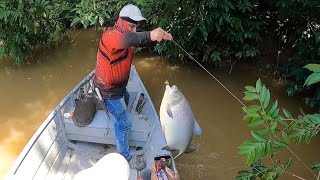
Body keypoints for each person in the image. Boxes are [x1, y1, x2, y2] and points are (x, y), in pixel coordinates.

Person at [93, 4, 173, 170]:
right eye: (132, 26)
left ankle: (114, 114)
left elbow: (139, 41)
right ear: (121, 22)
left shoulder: (127, 35)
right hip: (108, 90)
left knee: (127, 100)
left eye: (137, 27)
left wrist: (158, 36)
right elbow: (129, 40)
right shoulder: (111, 36)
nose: (135, 30)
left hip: (119, 87)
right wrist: (150, 34)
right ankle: (125, 158)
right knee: (125, 123)